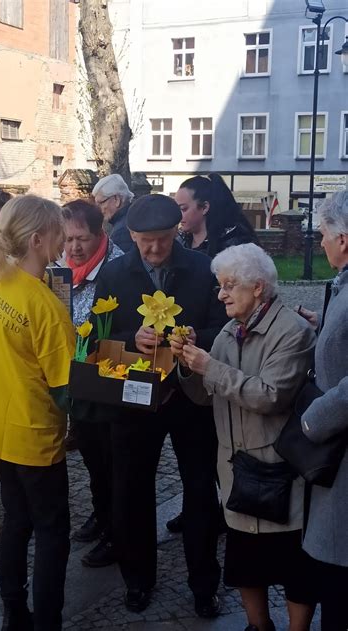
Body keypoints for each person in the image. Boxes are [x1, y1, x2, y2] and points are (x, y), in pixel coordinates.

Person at [90, 194, 227, 617]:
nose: (153, 250)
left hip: (191, 397)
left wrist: (191, 340)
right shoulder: (114, 273)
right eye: (144, 241)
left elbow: (222, 327)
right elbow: (96, 337)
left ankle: (204, 584)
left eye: (162, 241)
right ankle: (137, 580)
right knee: (131, 491)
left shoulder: (204, 269)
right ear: (130, 235)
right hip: (134, 398)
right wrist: (134, 339)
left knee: (201, 492)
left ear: (177, 233)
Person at [171, 243, 317, 631]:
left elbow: (270, 395)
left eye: (229, 285)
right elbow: (204, 395)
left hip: (278, 469)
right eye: (220, 285)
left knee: (294, 564)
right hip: (236, 468)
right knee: (245, 562)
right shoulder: (228, 329)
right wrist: (187, 365)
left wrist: (210, 366)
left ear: (257, 287)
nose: (220, 294)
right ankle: (258, 626)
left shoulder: (292, 331)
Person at [0, 195, 75, 631]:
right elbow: (66, 387)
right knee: (51, 532)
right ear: (37, 239)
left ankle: (14, 614)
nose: (64, 243)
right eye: (58, 236)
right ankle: (47, 622)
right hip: (32, 435)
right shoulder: (44, 305)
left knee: (16, 521)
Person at [168, 173, 259, 534]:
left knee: (219, 444)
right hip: (189, 359)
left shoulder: (232, 246)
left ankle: (232, 508)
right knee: (194, 454)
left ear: (204, 208)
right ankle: (199, 507)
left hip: (221, 354)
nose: (180, 215)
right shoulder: (184, 241)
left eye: (184, 208)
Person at [59, 199, 123, 567]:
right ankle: (101, 514)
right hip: (76, 384)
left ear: (100, 234)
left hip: (107, 384)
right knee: (91, 459)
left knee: (112, 461)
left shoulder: (117, 269)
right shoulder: (60, 271)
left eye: (81, 238)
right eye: (68, 239)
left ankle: (117, 532)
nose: (74, 247)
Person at [299, 191, 348, 631]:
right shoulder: (343, 282)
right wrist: (323, 324)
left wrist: (315, 418)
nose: (321, 244)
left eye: (323, 235)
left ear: (344, 239)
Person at [175, 174, 258, 257]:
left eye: (183, 209)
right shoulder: (177, 243)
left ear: (204, 208)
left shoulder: (235, 248)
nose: (178, 214)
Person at [92, 174, 134, 252]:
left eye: (101, 203)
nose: (99, 209)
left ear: (116, 199)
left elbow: (122, 263)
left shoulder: (122, 232)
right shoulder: (134, 216)